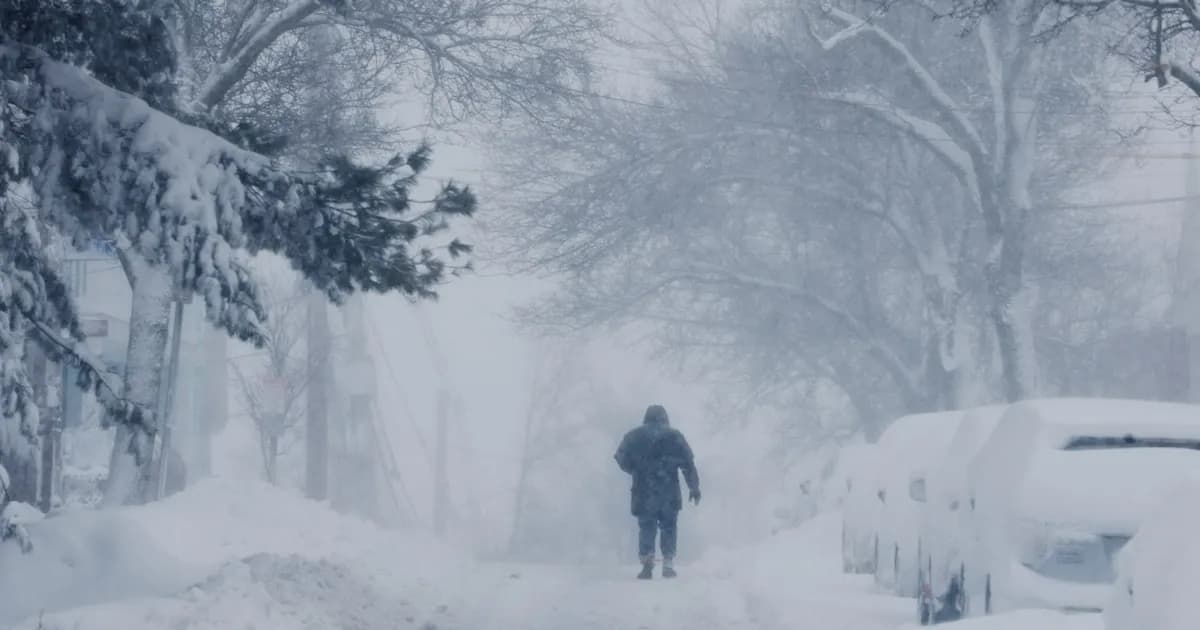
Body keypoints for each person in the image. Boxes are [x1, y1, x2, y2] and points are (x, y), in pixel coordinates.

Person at [614, 404, 700, 580]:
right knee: (669, 526)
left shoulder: (633, 436)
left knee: (647, 525)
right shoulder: (675, 436)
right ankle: (668, 563)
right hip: (669, 490)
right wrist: (694, 487)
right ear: (664, 417)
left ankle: (647, 562)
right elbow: (688, 463)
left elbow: (620, 458)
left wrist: (634, 469)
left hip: (644, 490)